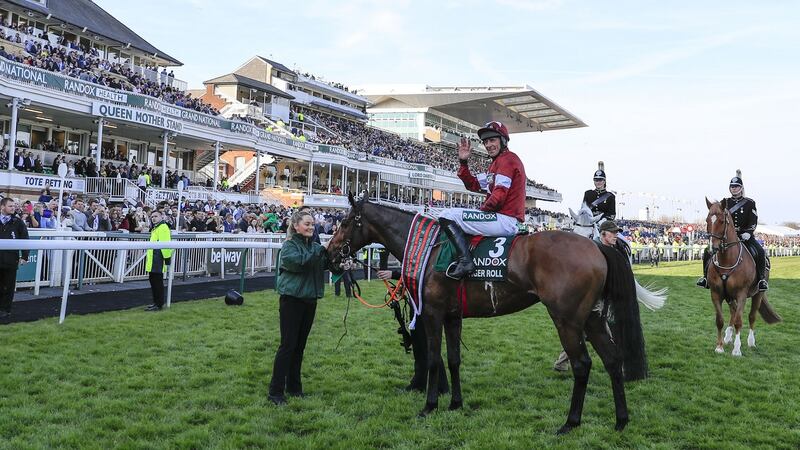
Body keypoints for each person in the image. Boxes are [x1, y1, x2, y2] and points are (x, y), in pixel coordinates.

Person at [438, 121, 526, 279]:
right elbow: (472, 184)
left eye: (492, 140)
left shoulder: (508, 160)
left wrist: (480, 212)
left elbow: (499, 195)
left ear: (503, 140)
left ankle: (466, 262)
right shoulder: (495, 164)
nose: (488, 145)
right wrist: (463, 162)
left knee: (447, 215)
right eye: (485, 142)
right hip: (503, 219)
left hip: (504, 219)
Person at [268, 210, 330, 405]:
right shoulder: (288, 247)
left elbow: (321, 264)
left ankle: (294, 388)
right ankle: (275, 392)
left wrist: (338, 264)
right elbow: (301, 263)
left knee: (300, 347)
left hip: (310, 300)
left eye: (313, 224)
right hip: (292, 300)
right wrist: (322, 250)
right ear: (296, 226)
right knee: (288, 346)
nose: (311, 227)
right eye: (307, 224)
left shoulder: (313, 246)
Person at [554, 220, 625, 372]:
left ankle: (561, 362)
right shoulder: (595, 250)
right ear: (603, 233)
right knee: (600, 331)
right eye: (613, 232)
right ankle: (620, 365)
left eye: (617, 232)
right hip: (592, 299)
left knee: (580, 331)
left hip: (598, 298)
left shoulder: (609, 249)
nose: (616, 235)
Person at [375, 267, 449, 393]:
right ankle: (420, 382)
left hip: (425, 305)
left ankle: (440, 386)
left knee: (427, 345)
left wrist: (394, 274)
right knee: (419, 345)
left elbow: (420, 272)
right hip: (416, 303)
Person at [697, 170, 768, 291]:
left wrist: (748, 232)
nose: (734, 189)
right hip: (727, 236)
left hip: (744, 235)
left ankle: (761, 280)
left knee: (760, 251)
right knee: (708, 251)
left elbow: (753, 221)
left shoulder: (750, 203)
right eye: (732, 187)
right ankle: (705, 278)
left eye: (736, 186)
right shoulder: (725, 203)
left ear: (741, 188)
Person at [0, 198, 29, 319]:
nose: (13, 208)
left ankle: (5, 310)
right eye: (10, 206)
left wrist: (25, 256)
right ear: (2, 207)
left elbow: (25, 239)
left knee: (9, 287)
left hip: (11, 260)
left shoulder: (17, 222)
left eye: (14, 206)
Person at [144, 211, 173, 311]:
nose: (153, 218)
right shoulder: (156, 228)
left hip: (158, 258)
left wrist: (167, 258)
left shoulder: (163, 227)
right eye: (152, 217)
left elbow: (165, 244)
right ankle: (156, 302)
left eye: (156, 216)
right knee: (154, 281)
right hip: (154, 258)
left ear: (161, 217)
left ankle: (158, 304)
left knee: (157, 282)